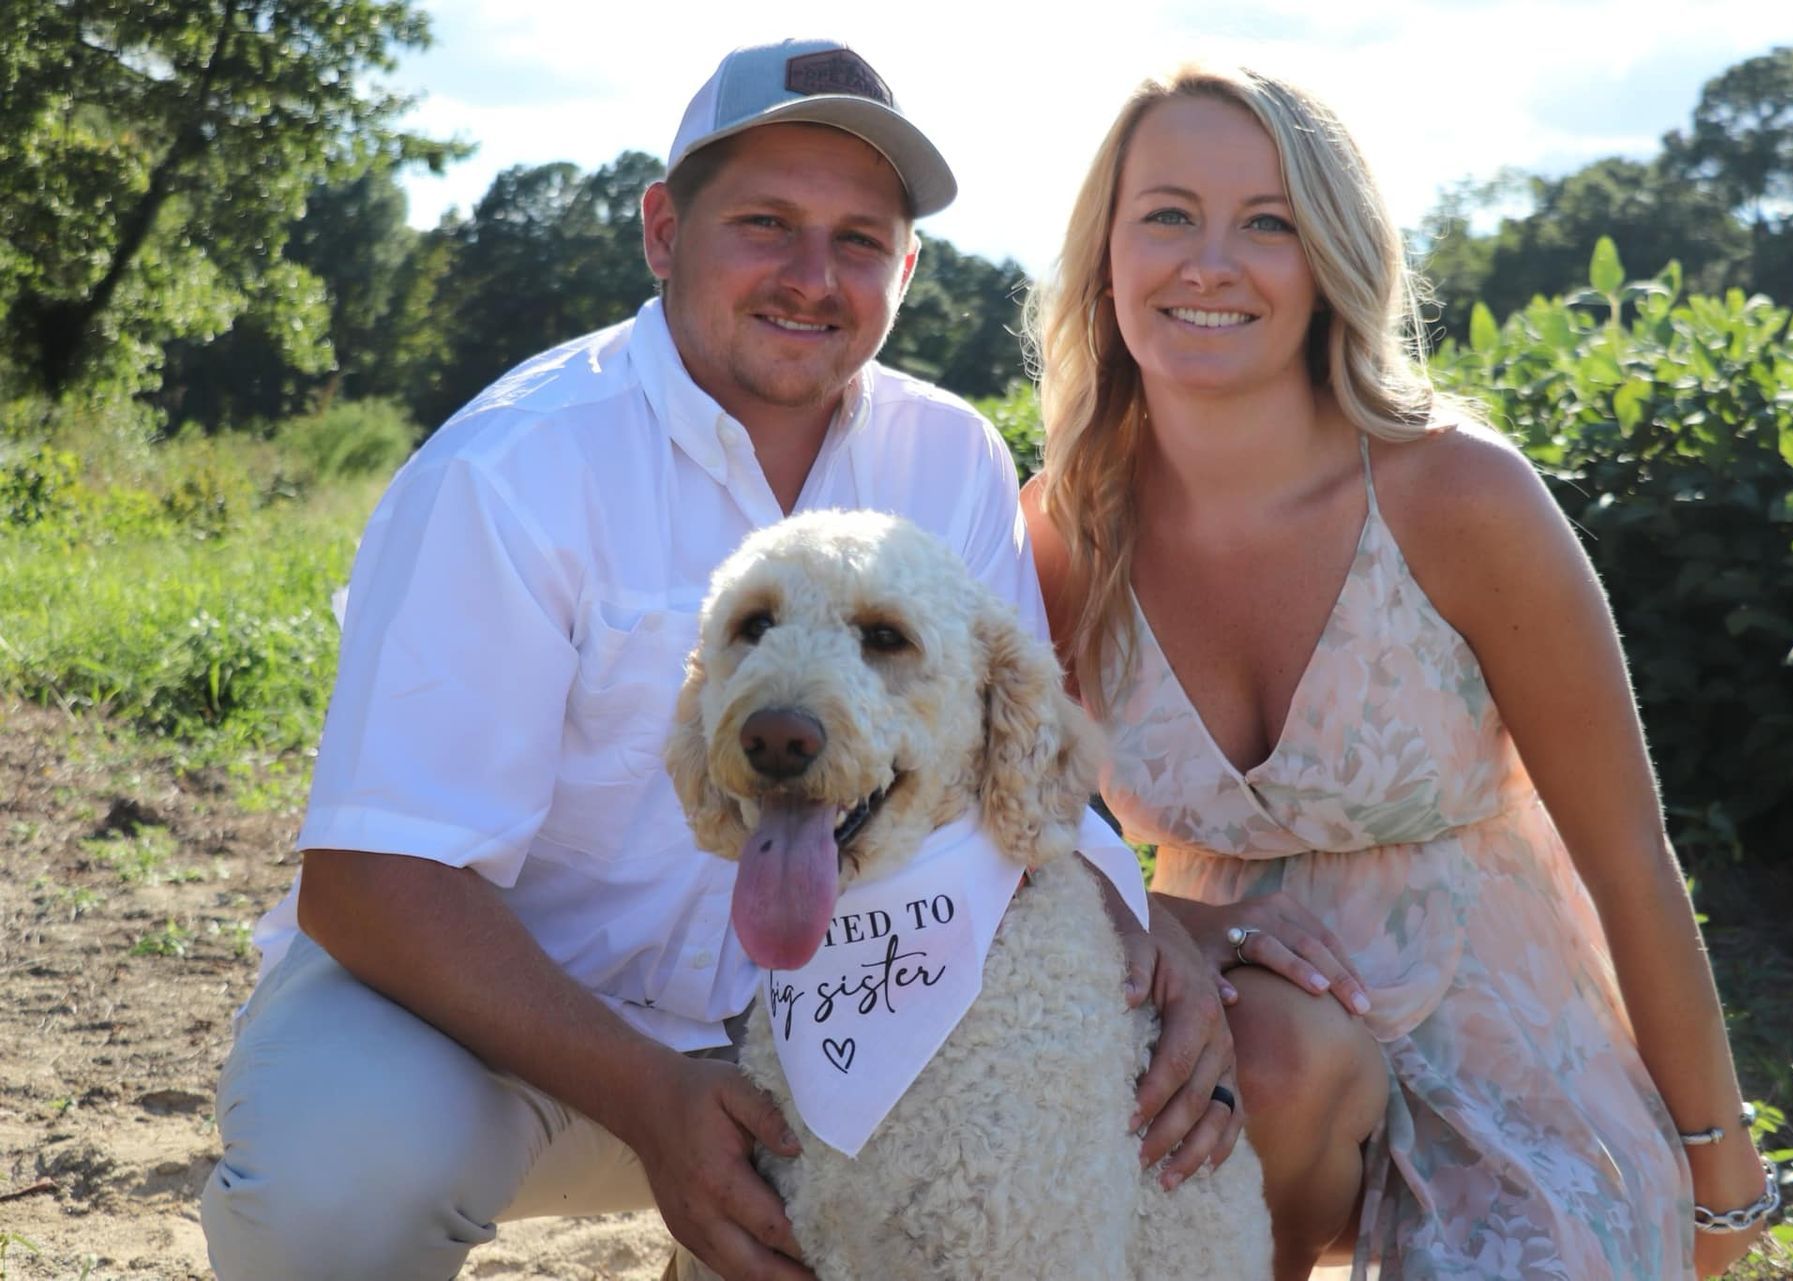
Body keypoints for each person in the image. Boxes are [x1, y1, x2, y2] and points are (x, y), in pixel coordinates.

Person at [199, 39, 1238, 1281]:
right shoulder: (510, 468)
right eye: (765, 224)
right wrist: (650, 1097)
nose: (812, 277)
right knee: (335, 1184)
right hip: (492, 1030)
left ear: (905, 271)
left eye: (859, 241)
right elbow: (374, 880)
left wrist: (1140, 928)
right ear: (662, 230)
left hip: (828, 1022)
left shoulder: (949, 459)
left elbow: (1008, 748)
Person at [1020, 65, 1774, 1280]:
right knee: (1262, 1075)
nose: (1209, 263)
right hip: (1237, 1066)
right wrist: (1147, 909)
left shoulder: (1457, 495)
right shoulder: (1063, 538)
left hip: (1508, 1062)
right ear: (1105, 253)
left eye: (1268, 223)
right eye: (1167, 214)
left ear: (1331, 261)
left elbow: (1628, 854)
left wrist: (1722, 1170)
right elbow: (1005, 832)